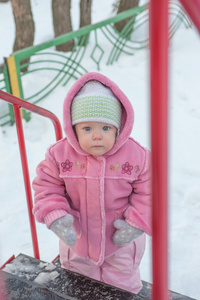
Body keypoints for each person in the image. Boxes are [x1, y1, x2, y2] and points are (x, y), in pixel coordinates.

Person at [32, 72, 151, 294]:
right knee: (79, 284)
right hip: (77, 239)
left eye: (105, 128)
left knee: (121, 286)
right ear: (73, 129)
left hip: (121, 242)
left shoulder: (138, 157)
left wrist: (137, 223)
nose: (97, 136)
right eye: (87, 128)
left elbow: (151, 192)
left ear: (119, 128)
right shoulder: (59, 155)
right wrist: (55, 215)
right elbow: (46, 187)